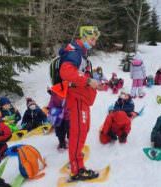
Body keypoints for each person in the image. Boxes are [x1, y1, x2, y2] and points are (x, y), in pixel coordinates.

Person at [59, 26, 101, 180]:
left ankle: (75, 157)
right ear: (83, 37)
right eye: (92, 39)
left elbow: (82, 74)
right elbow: (66, 72)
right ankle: (77, 169)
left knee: (84, 129)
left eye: (95, 40)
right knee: (78, 132)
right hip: (76, 98)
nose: (94, 43)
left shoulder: (81, 53)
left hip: (82, 98)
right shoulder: (75, 52)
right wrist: (88, 80)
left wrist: (94, 83)